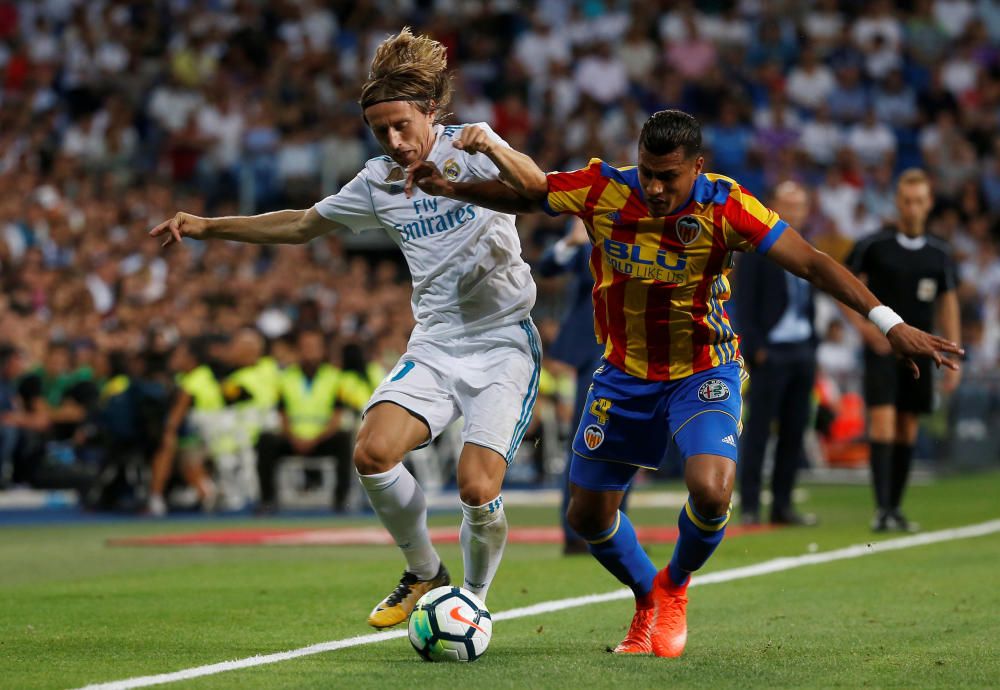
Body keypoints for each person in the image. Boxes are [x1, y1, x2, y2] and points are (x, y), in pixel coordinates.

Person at [406, 109, 963, 657]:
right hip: (623, 374)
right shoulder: (603, 189)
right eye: (647, 170)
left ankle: (673, 587)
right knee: (586, 517)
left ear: (697, 166)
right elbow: (529, 196)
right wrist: (454, 188)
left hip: (703, 370)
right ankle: (647, 596)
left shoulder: (727, 206)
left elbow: (813, 263)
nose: (653, 186)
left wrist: (889, 324)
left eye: (667, 176)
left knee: (712, 488)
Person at [150, 28, 543, 627]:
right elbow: (302, 225)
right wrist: (207, 225)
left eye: (401, 125)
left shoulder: (473, 150)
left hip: (503, 341)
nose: (392, 139)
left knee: (474, 487)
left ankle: (474, 601)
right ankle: (424, 572)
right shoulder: (378, 181)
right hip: (436, 344)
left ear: (430, 112)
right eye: (379, 129)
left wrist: (489, 145)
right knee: (372, 451)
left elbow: (538, 191)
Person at [845, 169, 961, 532]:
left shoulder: (939, 253)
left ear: (928, 204)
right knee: (882, 421)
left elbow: (948, 302)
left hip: (922, 350)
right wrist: (865, 330)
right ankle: (881, 509)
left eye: (919, 201)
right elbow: (845, 287)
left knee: (907, 427)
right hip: (882, 348)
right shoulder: (873, 244)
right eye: (906, 201)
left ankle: (895, 506)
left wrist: (954, 352)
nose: (912, 208)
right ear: (898, 202)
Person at [733, 181, 819, 526]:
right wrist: (757, 349)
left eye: (799, 204)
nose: (794, 211)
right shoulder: (756, 249)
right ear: (773, 207)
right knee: (758, 431)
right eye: (788, 204)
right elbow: (745, 301)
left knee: (794, 430)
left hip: (802, 348)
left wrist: (813, 346)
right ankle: (751, 506)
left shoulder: (806, 248)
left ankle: (782, 505)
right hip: (772, 352)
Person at [255, 329, 352, 514]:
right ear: (298, 350)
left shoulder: (335, 377)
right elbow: (282, 415)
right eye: (305, 347)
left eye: (314, 347)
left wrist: (315, 439)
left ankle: (341, 500)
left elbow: (337, 417)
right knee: (265, 440)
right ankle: (267, 500)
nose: (309, 351)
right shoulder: (285, 377)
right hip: (293, 438)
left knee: (344, 438)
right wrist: (293, 438)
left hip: (322, 439)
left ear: (323, 350)